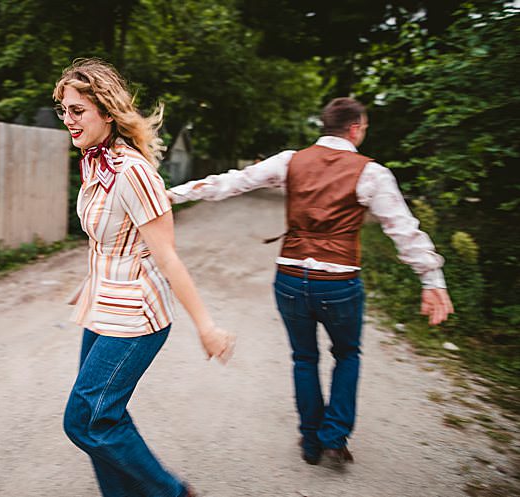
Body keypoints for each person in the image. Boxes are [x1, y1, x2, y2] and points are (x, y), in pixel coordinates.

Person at [166, 97, 453, 467]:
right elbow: (403, 229)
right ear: (355, 128)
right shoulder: (371, 173)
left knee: (304, 358)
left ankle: (310, 441)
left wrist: (172, 194)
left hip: (289, 277)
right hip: (339, 281)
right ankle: (334, 438)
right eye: (364, 127)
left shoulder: (291, 161)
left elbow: (232, 183)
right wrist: (431, 279)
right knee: (347, 355)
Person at [54, 58, 235, 497]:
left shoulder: (132, 172)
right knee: (105, 418)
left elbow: (168, 257)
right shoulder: (94, 162)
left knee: (83, 420)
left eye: (77, 110)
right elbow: (108, 238)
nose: (68, 120)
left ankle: (174, 493)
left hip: (135, 316)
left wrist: (206, 325)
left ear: (106, 111)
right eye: (63, 110)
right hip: (103, 305)